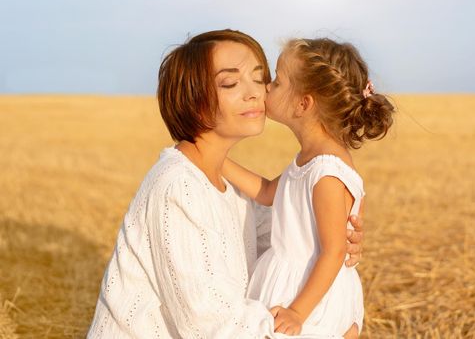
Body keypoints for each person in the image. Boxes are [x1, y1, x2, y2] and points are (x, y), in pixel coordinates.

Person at [87, 30, 364, 338]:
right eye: (231, 83)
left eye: (260, 79)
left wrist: (335, 237)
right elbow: (210, 325)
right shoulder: (178, 186)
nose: (256, 93)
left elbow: (281, 237)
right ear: (194, 100)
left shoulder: (223, 185)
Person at [222, 38, 394, 337]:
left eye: (277, 81)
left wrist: (297, 312)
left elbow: (335, 251)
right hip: (298, 282)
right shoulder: (310, 159)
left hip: (308, 293)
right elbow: (267, 193)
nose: (266, 88)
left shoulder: (326, 172)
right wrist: (216, 161)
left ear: (303, 103)